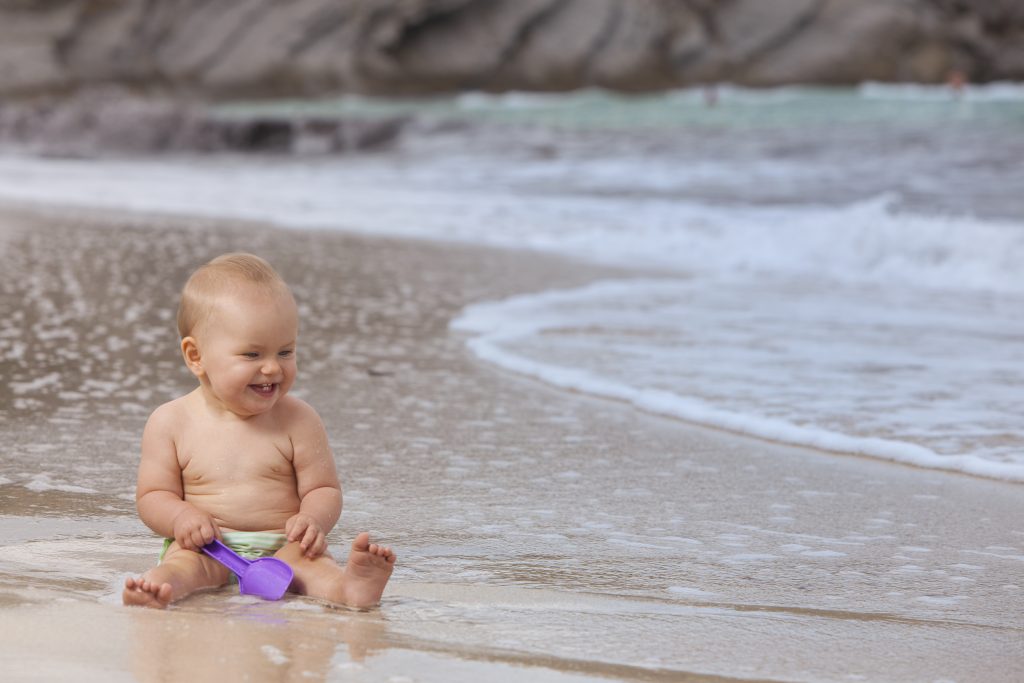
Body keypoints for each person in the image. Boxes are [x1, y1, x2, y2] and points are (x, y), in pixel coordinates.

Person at [123, 252, 395, 609]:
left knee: (312, 567)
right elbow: (153, 496)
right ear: (196, 356)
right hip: (209, 546)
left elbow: (324, 488)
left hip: (285, 545)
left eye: (285, 352)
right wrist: (182, 517)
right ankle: (157, 589)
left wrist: (312, 519)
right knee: (182, 566)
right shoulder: (171, 422)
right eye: (252, 355)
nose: (272, 368)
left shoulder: (299, 419)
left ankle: (351, 589)